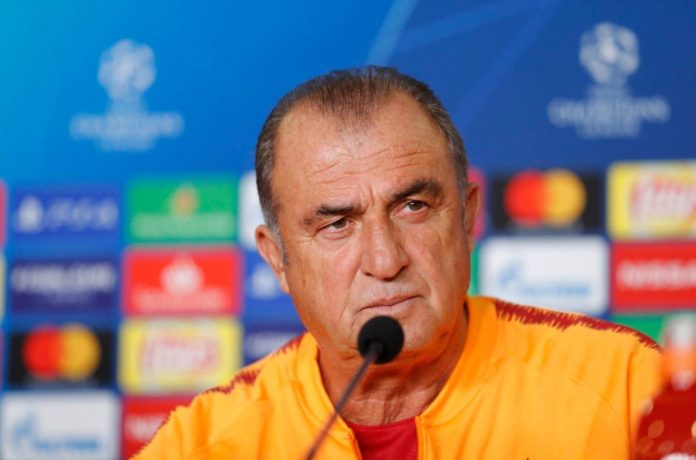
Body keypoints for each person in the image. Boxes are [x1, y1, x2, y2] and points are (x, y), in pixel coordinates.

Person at [134, 67, 661, 459]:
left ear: (467, 219)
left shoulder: (628, 387)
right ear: (278, 259)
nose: (385, 261)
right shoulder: (199, 445)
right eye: (337, 224)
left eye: (413, 207)